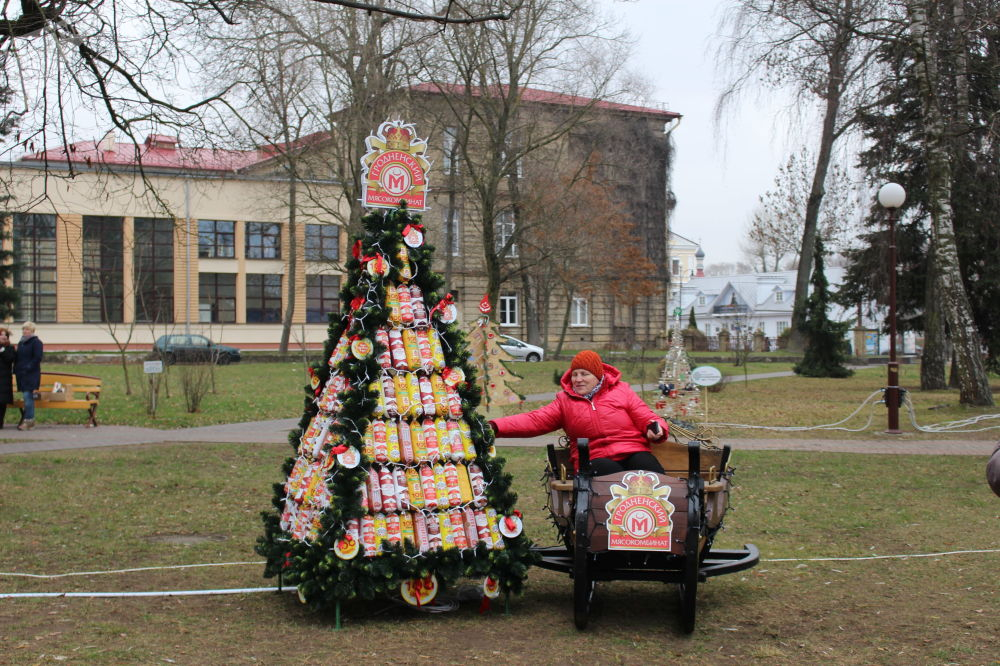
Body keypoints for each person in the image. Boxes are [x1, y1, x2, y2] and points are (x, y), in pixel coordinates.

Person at [490, 350, 669, 475]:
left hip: (631, 451)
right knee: (608, 472)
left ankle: (661, 523)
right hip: (594, 457)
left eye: (584, 374)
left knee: (647, 468)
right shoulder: (565, 401)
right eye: (575, 374)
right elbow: (534, 420)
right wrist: (496, 426)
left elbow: (646, 416)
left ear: (598, 376)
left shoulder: (622, 391)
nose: (578, 379)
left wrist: (657, 428)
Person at [14, 321, 43, 431]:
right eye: (24, 329)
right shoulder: (21, 342)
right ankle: (28, 421)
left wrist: (28, 367)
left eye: (27, 329)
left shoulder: (36, 342)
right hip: (21, 375)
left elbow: (37, 358)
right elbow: (18, 358)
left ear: (32, 331)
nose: (25, 331)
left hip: (31, 375)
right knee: (27, 398)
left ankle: (29, 421)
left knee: (28, 398)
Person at [0, 327, 15, 429]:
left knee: (2, 403)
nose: (4, 336)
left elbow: (10, 359)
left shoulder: (10, 348)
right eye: (2, 334)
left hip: (4, 379)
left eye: (6, 335)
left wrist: (2, 349)